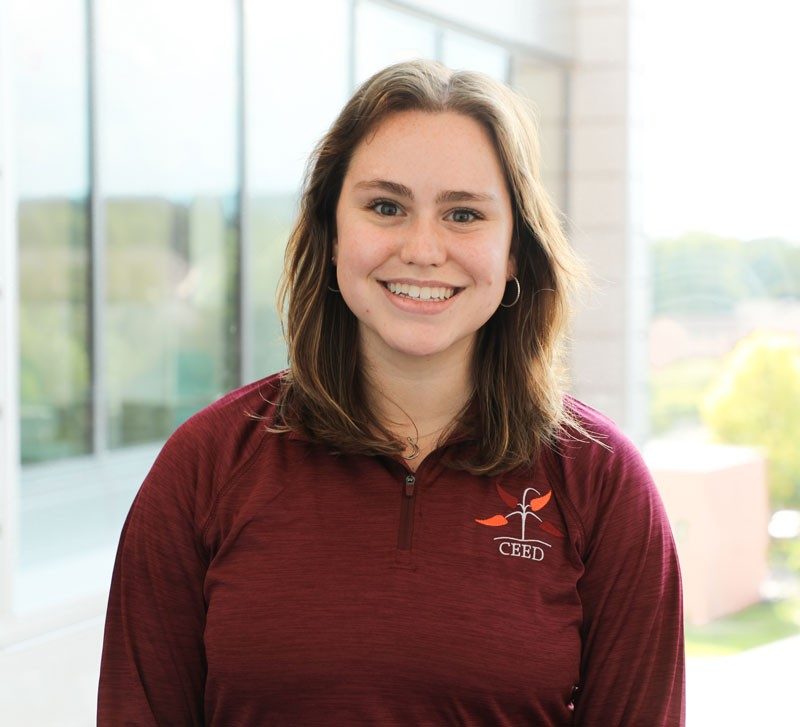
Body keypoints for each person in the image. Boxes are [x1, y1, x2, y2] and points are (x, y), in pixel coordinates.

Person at [98, 59, 685, 725]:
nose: (423, 248)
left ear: (515, 249)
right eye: (386, 206)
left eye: (463, 214)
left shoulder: (602, 483)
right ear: (332, 231)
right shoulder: (207, 464)